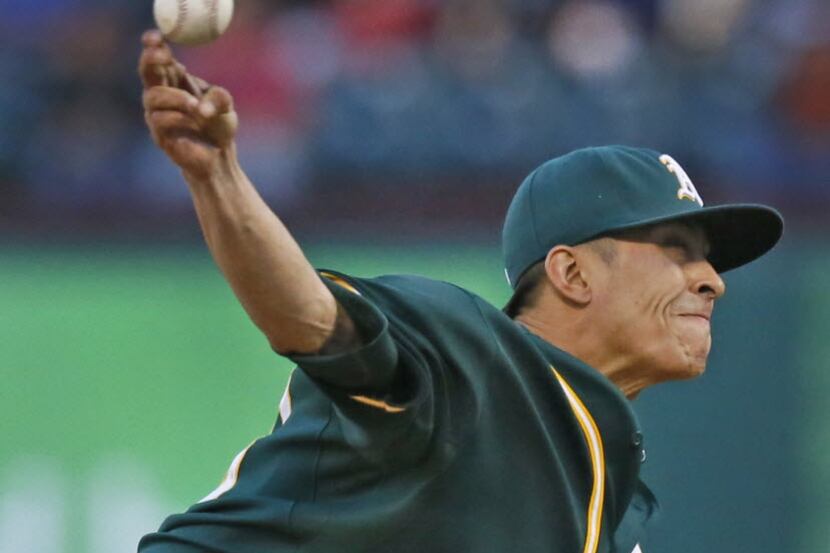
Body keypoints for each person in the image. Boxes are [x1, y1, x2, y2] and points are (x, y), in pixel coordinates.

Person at [137, 29, 783, 553]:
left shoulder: (613, 497)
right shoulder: (467, 358)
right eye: (677, 250)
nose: (711, 279)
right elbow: (313, 321)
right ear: (572, 274)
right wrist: (220, 178)